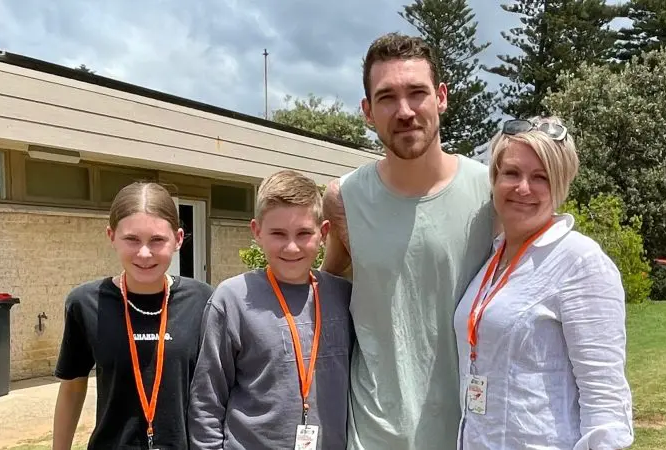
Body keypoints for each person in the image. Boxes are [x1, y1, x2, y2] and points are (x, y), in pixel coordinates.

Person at [321, 32, 495, 450]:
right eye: (386, 97)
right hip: (373, 433)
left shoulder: (491, 194)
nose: (404, 111)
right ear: (366, 111)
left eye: (416, 93)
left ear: (441, 97)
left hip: (470, 431)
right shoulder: (343, 199)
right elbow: (323, 299)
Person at [453, 117, 634, 449]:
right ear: (494, 178)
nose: (523, 188)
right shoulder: (492, 258)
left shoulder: (580, 262)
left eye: (541, 177)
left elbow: (606, 402)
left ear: (560, 185)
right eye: (511, 173)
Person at [188, 169, 354, 449]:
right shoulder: (232, 298)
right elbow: (207, 399)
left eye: (304, 233)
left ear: (323, 233)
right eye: (278, 233)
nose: (291, 247)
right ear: (257, 232)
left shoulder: (343, 295)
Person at [52, 182, 214, 450]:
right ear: (111, 236)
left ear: (178, 239)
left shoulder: (203, 300)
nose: (144, 253)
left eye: (157, 240)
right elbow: (71, 389)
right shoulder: (86, 303)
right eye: (132, 239)